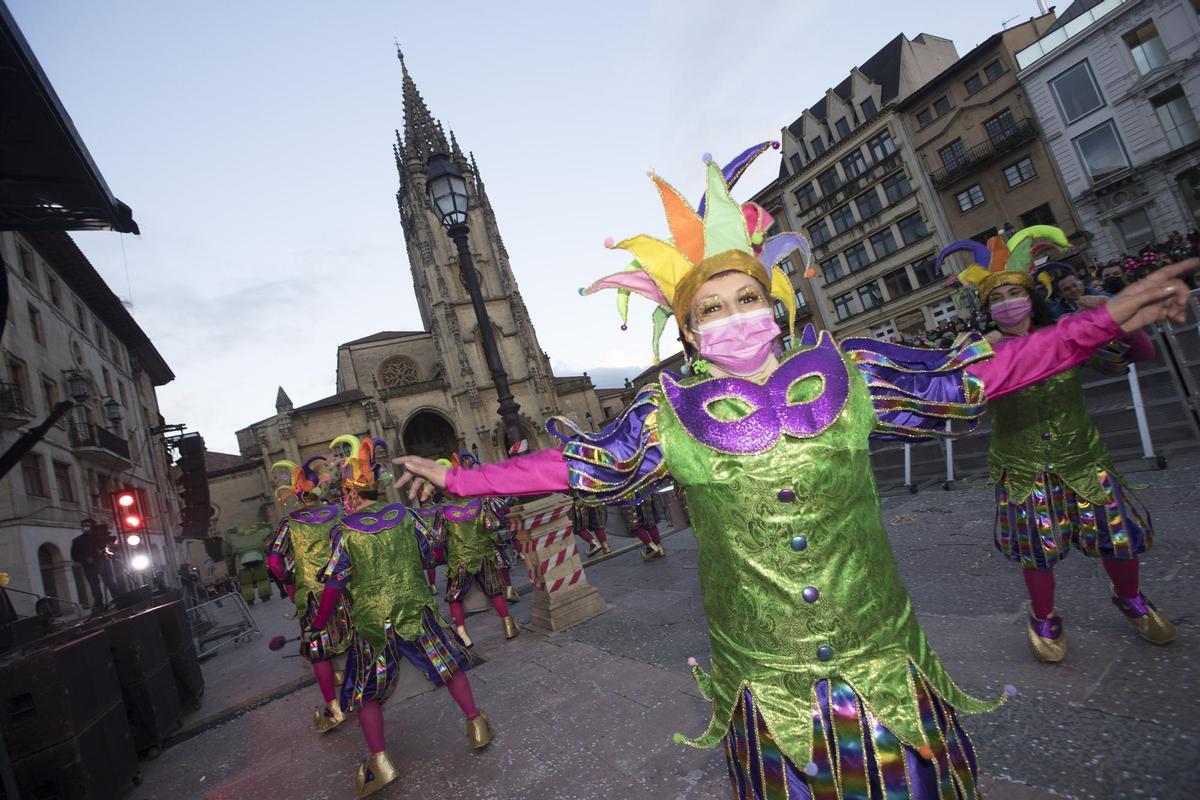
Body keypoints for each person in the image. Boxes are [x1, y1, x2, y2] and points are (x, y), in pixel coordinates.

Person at [392, 153, 1195, 799]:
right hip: (766, 684)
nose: (736, 314)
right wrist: (461, 479)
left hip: (883, 661)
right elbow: (572, 464)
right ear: (689, 330)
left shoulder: (857, 375)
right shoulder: (662, 420)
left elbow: (987, 371)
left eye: (749, 296)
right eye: (714, 307)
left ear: (776, 306)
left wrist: (1104, 319)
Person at [940, 232, 1177, 663]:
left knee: (1116, 538)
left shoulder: (1066, 336)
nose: (1007, 304)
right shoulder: (980, 351)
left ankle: (1130, 598)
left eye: (1015, 293)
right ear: (987, 309)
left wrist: (1109, 312)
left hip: (1083, 458)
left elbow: (1139, 353)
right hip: (1023, 465)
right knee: (1037, 550)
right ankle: (1044, 615)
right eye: (997, 299)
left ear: (1032, 298)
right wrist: (967, 358)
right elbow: (956, 406)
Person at [310, 435, 490, 797]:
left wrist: (319, 622)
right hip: (416, 609)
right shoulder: (405, 516)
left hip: (373, 622)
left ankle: (381, 762)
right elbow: (430, 553)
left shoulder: (344, 533)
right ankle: (477, 725)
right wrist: (420, 579)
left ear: (349, 495)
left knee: (365, 693)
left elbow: (333, 585)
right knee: (449, 665)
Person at [266, 456, 355, 734]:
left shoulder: (288, 522)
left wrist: (287, 582)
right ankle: (362, 695)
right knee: (355, 640)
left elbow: (273, 562)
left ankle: (335, 709)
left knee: (318, 652)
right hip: (346, 588)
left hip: (312, 597)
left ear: (297, 493)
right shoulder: (339, 511)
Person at [434, 455, 519, 647]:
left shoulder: (443, 511)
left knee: (454, 597)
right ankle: (508, 625)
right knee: (495, 591)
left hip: (460, 561)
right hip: (485, 556)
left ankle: (462, 633)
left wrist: (438, 556)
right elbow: (494, 524)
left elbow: (438, 539)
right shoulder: (480, 503)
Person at [71, 520, 119, 612]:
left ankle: (117, 598)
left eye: (88, 525)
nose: (86, 527)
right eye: (84, 525)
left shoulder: (99, 537)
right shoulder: (77, 541)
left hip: (103, 562)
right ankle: (99, 605)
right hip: (89, 566)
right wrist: (85, 559)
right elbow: (74, 556)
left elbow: (110, 540)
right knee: (94, 586)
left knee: (109, 581)